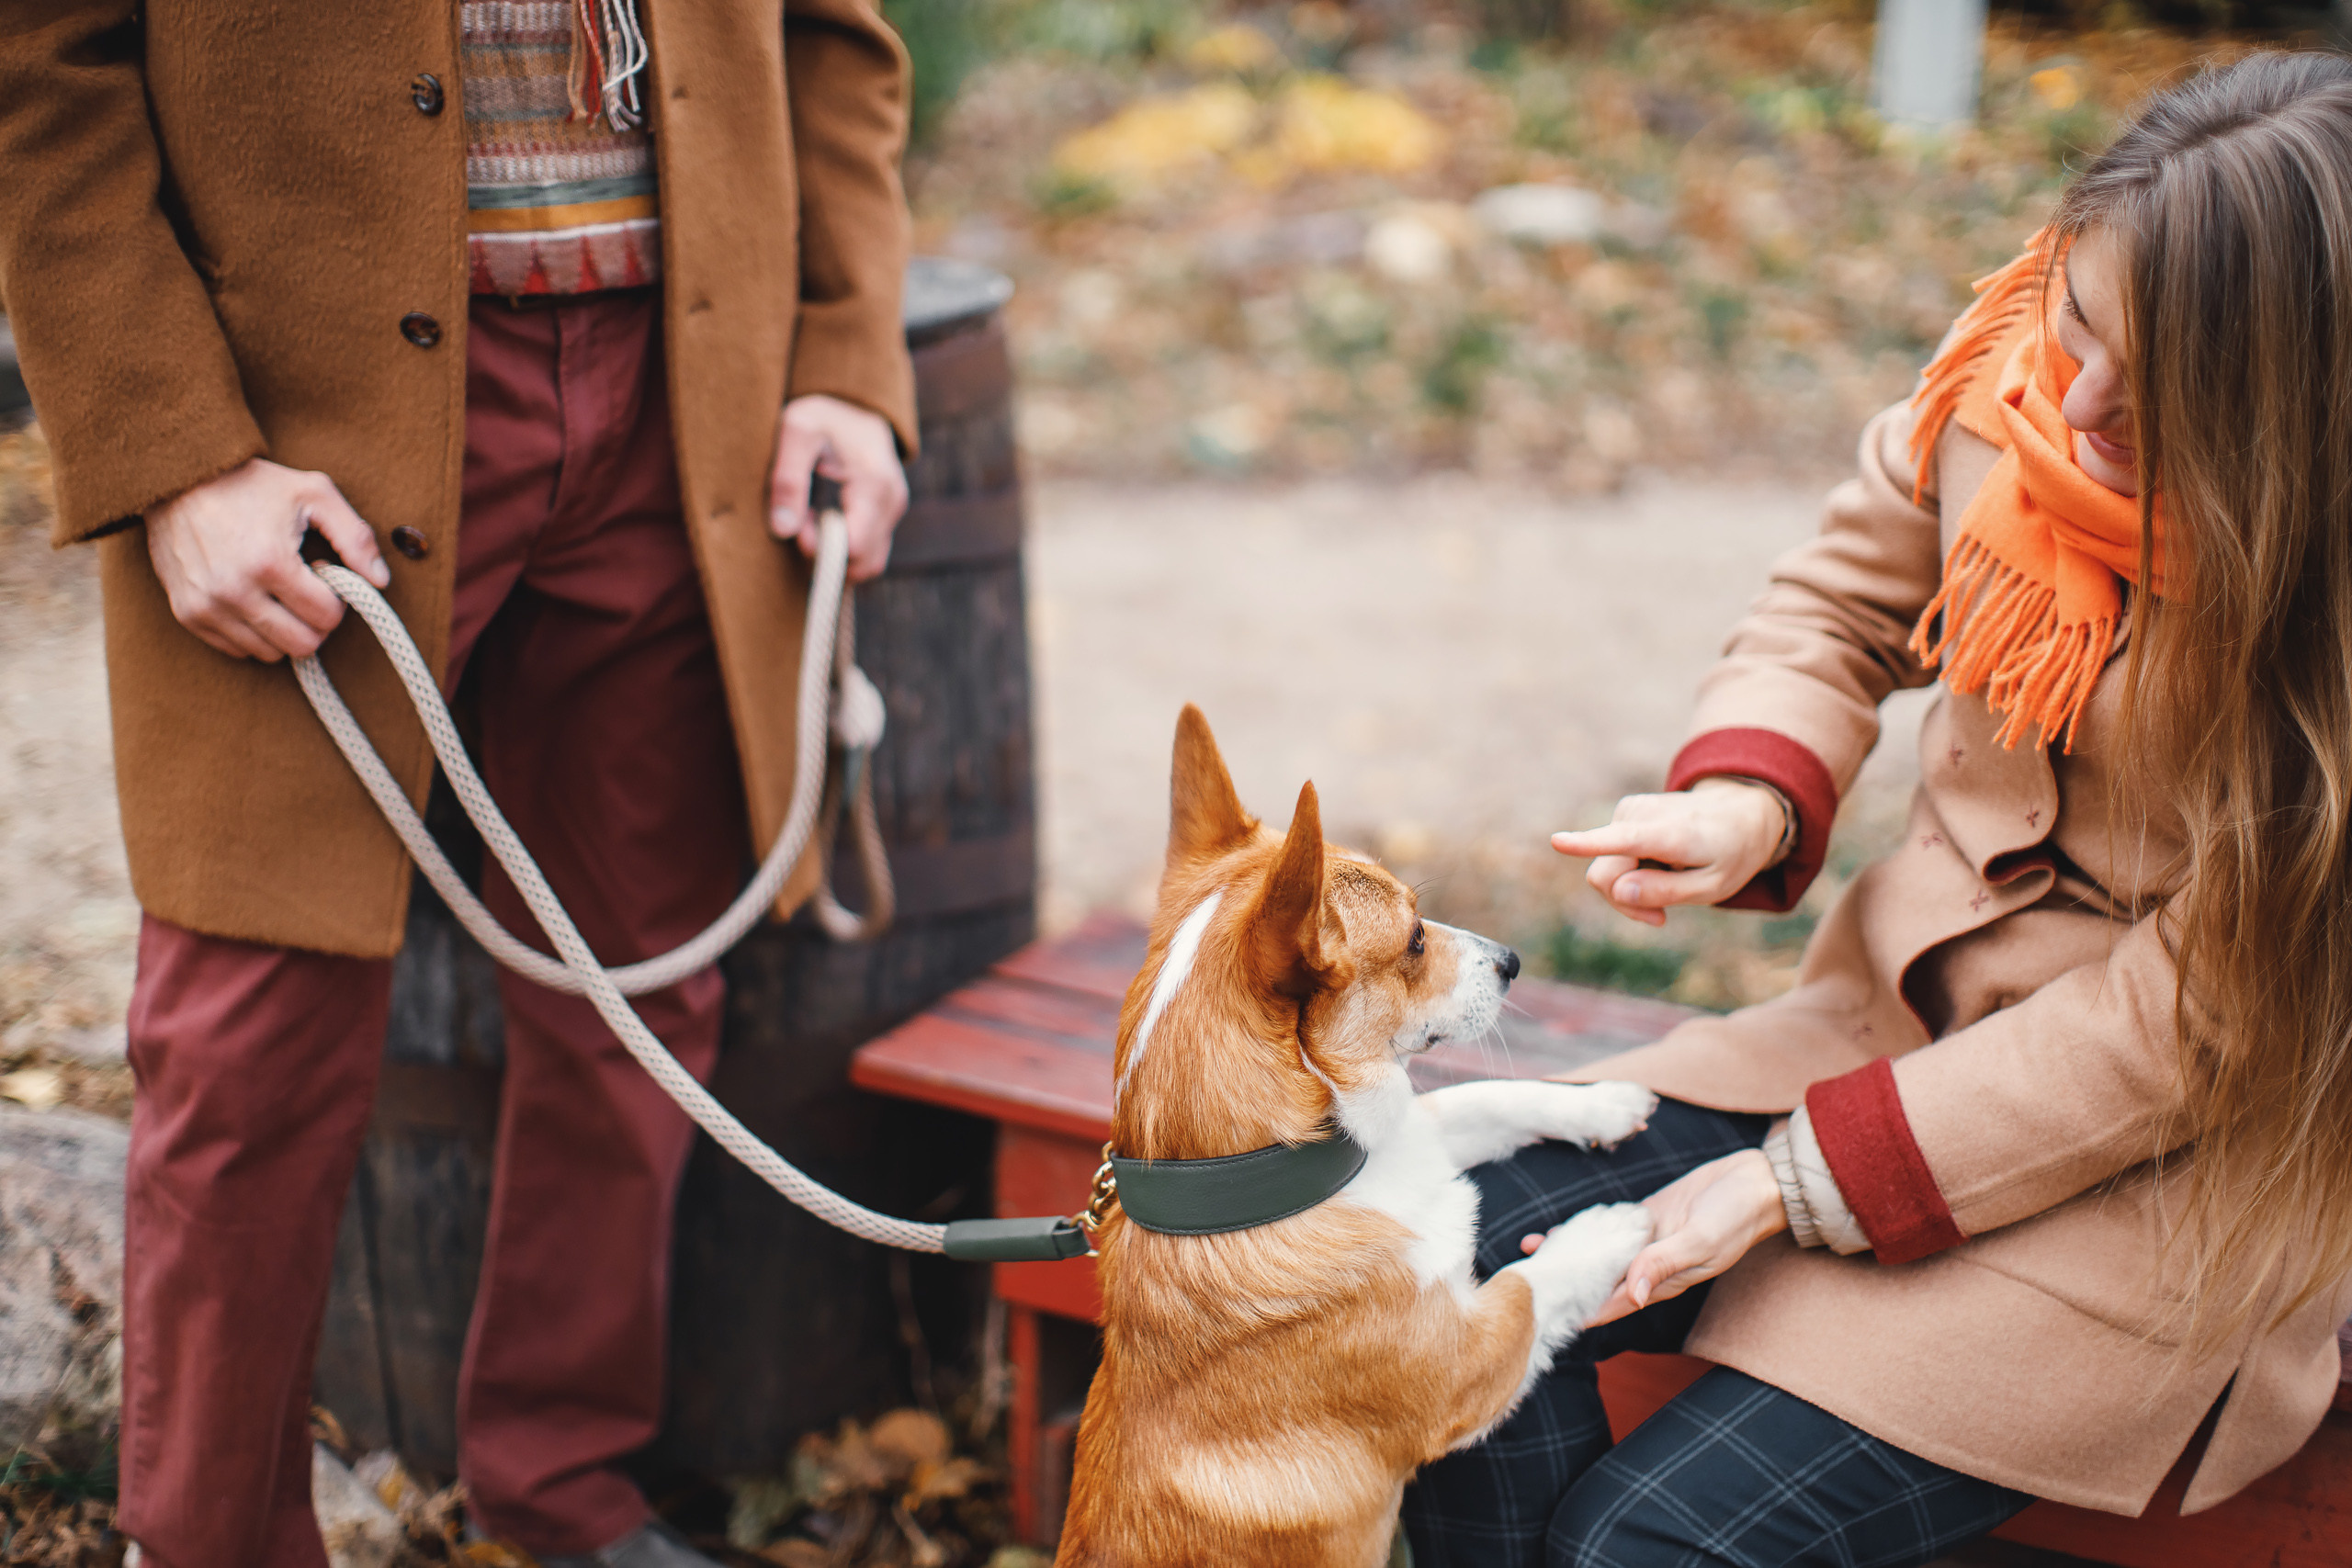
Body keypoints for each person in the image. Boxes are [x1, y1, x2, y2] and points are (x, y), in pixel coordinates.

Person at [1403, 50, 2352, 1567]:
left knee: (1640, 1548)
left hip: (2149, 1194)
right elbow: (1840, 603)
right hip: (1866, 1046)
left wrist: (1791, 1184)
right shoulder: (2021, 363)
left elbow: (2196, 1027)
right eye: (2082, 322)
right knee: (1431, 1279)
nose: (2080, 398)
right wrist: (1745, 801)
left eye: (2159, 382)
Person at [0, 6, 916, 1566]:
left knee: (639, 990)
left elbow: (840, 32)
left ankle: (562, 1503)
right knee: (253, 1027)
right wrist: (173, 453)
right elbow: (35, 60)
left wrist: (845, 349)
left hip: (692, 386)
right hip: (299, 423)